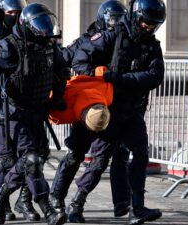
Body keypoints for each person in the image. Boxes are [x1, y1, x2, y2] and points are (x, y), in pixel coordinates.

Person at [0, 3, 69, 225]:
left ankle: (13, 198)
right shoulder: (0, 43)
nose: (15, 16)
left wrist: (58, 96)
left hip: (35, 109)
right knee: (17, 160)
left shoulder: (45, 44)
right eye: (11, 13)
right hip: (5, 110)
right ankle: (44, 207)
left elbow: (61, 70)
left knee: (36, 157)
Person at [67, 0, 166, 224]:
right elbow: (80, 59)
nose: (149, 28)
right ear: (135, 16)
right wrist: (98, 74)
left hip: (132, 110)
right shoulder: (113, 35)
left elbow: (155, 76)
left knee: (140, 153)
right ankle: (76, 204)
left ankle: (137, 207)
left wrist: (120, 78)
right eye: (146, 23)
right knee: (100, 160)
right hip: (108, 110)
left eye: (154, 24)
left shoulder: (152, 45)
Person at [50, 0, 132, 218]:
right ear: (103, 18)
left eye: (120, 20)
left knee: (102, 158)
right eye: (113, 19)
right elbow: (66, 60)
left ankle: (78, 202)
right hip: (87, 106)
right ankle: (55, 197)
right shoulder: (87, 41)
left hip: (112, 108)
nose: (116, 24)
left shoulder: (125, 43)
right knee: (75, 154)